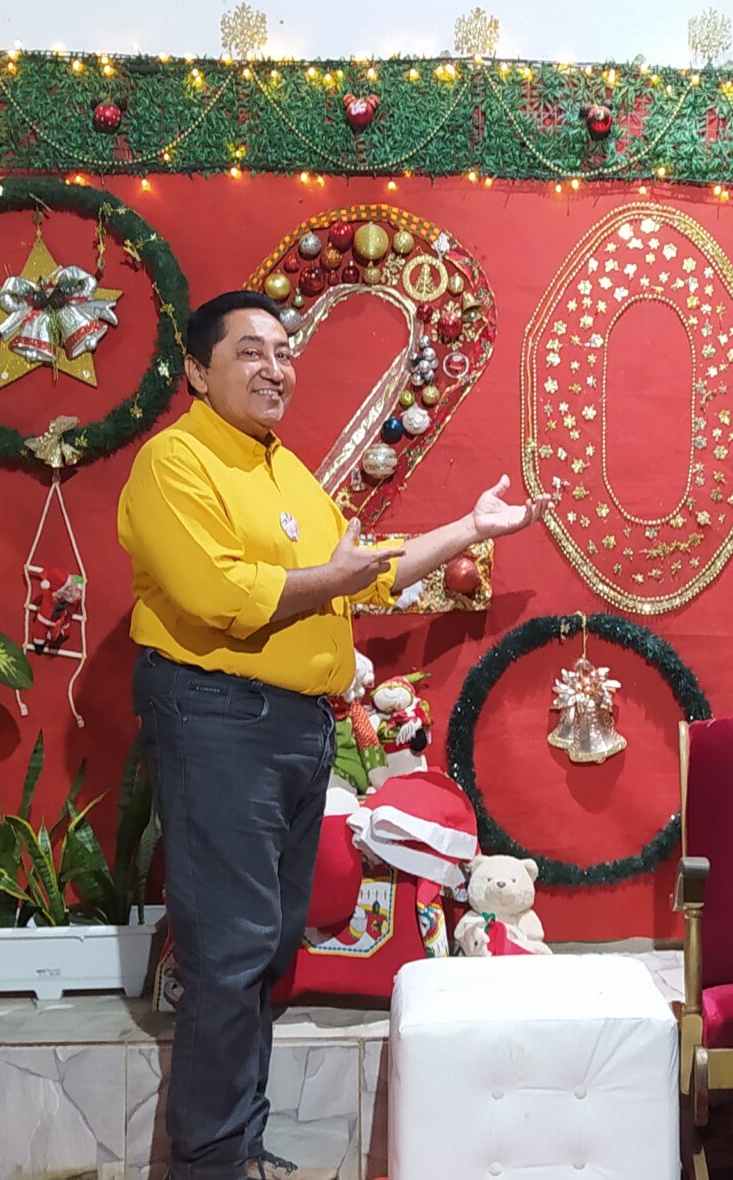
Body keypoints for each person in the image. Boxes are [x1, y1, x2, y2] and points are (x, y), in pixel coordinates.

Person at [120, 289, 544, 1179]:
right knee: (230, 950)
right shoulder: (175, 462)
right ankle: (210, 1165)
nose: (275, 368)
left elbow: (365, 576)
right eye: (251, 351)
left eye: (284, 351)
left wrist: (469, 528)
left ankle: (240, 1144)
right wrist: (335, 578)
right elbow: (221, 596)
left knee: (270, 946)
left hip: (291, 728)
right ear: (197, 370)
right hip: (217, 719)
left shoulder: (285, 472)